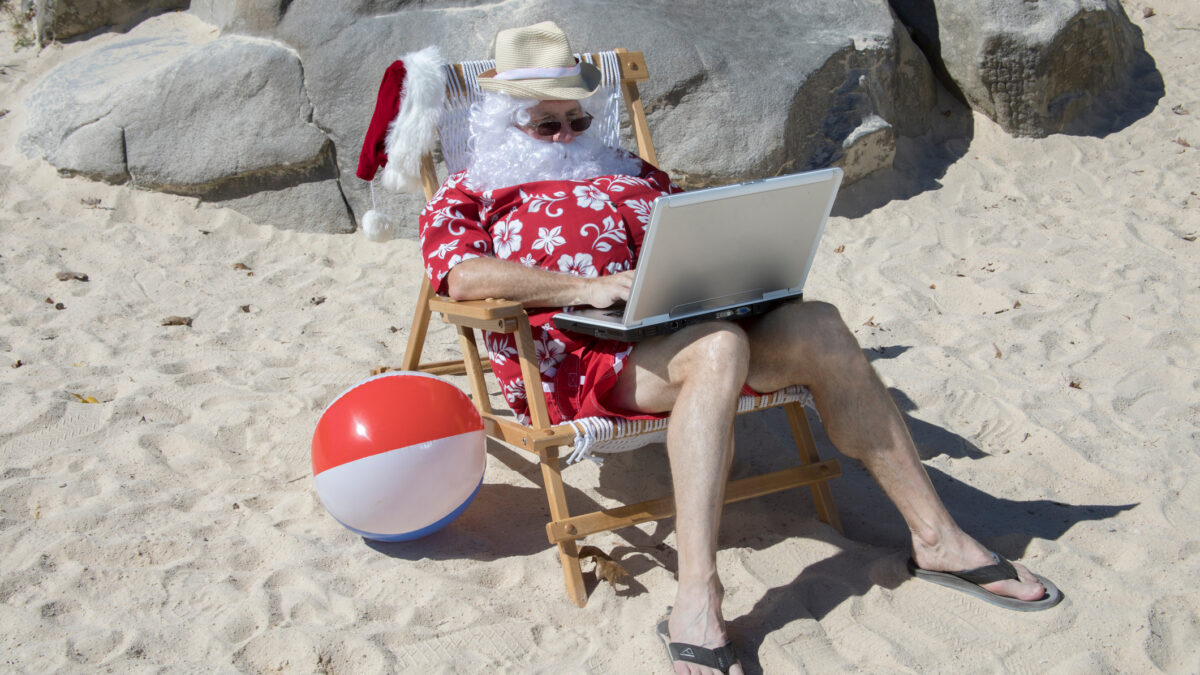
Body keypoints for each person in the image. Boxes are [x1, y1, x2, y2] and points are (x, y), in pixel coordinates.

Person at [416, 21, 1062, 675]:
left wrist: (746, 268)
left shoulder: (631, 172)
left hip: (687, 324)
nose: (565, 135)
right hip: (587, 358)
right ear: (505, 122)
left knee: (821, 325)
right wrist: (585, 286)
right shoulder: (474, 191)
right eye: (545, 125)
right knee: (720, 348)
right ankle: (697, 596)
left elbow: (697, 236)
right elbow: (460, 276)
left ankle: (938, 538)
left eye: (576, 120)